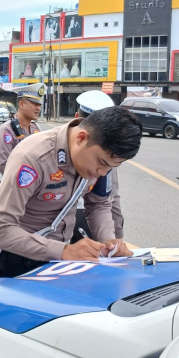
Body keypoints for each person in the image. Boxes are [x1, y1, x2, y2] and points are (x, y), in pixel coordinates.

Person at [0, 106, 142, 280]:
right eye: (102, 163)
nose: (103, 173)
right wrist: (65, 251)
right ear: (82, 138)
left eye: (111, 167)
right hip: (17, 260)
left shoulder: (100, 160)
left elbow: (99, 204)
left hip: (59, 260)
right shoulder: (33, 158)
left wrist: (109, 242)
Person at [69, 91, 124, 246]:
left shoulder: (107, 157)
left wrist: (114, 239)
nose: (102, 170)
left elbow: (106, 199)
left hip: (88, 219)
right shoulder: (46, 152)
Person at [0, 83, 43, 175]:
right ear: (21, 104)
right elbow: (3, 165)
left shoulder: (36, 128)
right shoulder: (7, 129)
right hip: (15, 185)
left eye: (39, 105)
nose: (38, 108)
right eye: (34, 104)